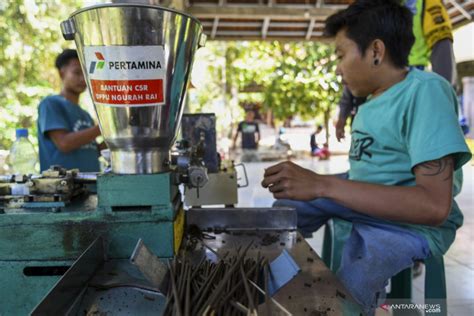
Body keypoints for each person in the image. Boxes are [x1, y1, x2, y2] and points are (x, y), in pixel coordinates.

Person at [261, 1, 471, 314]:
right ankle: (289, 298)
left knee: (354, 280)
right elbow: (367, 177)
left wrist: (324, 186)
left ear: (375, 51)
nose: (337, 67)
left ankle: (349, 305)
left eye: (341, 55)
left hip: (413, 225)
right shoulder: (371, 101)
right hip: (367, 204)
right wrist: (310, 185)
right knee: (281, 216)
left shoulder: (425, 92)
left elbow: (433, 207)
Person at [335, 0, 457, 141]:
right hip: (370, 92)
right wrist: (344, 112)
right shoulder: (370, 8)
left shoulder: (426, 3)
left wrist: (440, 101)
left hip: (407, 83)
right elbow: (355, 64)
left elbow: (442, 48)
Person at [37, 49, 103, 172]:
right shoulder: (50, 104)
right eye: (77, 73)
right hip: (62, 188)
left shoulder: (86, 115)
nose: (83, 79)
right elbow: (64, 143)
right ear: (62, 74)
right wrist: (103, 127)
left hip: (91, 186)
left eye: (85, 73)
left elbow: (92, 151)